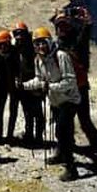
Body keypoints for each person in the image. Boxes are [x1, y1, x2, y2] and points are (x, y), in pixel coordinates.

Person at [20, 27, 81, 181]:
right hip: (56, 100)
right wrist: (24, 86)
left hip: (69, 100)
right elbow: (40, 80)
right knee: (61, 132)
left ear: (49, 42)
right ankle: (61, 155)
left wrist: (50, 87)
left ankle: (71, 168)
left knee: (62, 132)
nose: (40, 46)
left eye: (43, 43)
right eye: (37, 44)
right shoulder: (39, 60)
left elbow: (70, 80)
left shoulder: (61, 56)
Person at [51, 6, 97, 164]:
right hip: (65, 89)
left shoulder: (77, 42)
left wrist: (87, 23)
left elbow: (85, 33)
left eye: (65, 26)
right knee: (63, 124)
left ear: (70, 27)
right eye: (59, 26)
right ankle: (62, 152)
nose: (62, 28)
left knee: (84, 122)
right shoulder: (59, 43)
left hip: (79, 89)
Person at [12, 21, 45, 146]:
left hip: (34, 84)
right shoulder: (17, 48)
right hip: (23, 86)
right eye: (16, 33)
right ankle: (29, 135)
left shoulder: (32, 48)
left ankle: (38, 137)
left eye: (20, 33)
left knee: (37, 113)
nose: (19, 36)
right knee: (27, 112)